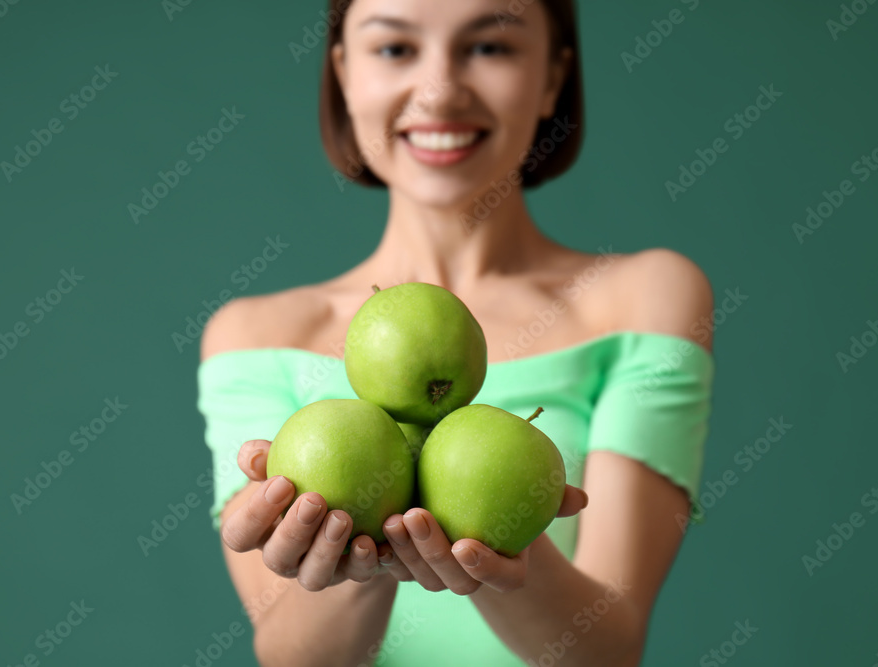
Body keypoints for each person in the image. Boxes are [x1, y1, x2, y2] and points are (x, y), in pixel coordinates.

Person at [197, 0, 715, 665]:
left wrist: (507, 541)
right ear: (345, 74)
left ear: (553, 77)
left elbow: (607, 650)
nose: (441, 90)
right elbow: (295, 658)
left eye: (490, 47)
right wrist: (368, 567)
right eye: (394, 49)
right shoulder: (254, 332)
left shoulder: (644, 296)